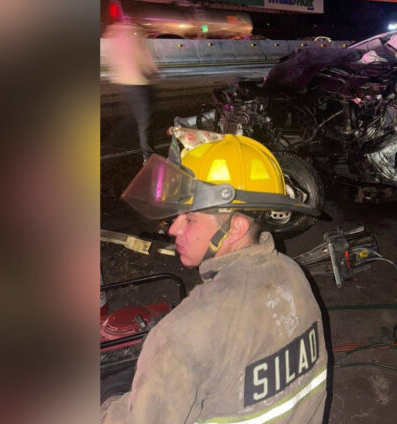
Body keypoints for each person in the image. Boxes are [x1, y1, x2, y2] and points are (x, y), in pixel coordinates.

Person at [101, 131, 328, 424]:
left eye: (190, 218)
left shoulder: (182, 335)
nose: (172, 229)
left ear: (235, 229)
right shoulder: (292, 274)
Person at [103, 3, 159, 162]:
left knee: (133, 117)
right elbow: (143, 56)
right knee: (145, 121)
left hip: (126, 84)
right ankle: (147, 156)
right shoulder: (133, 32)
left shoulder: (112, 34)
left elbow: (111, 57)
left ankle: (115, 140)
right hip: (140, 83)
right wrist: (152, 72)